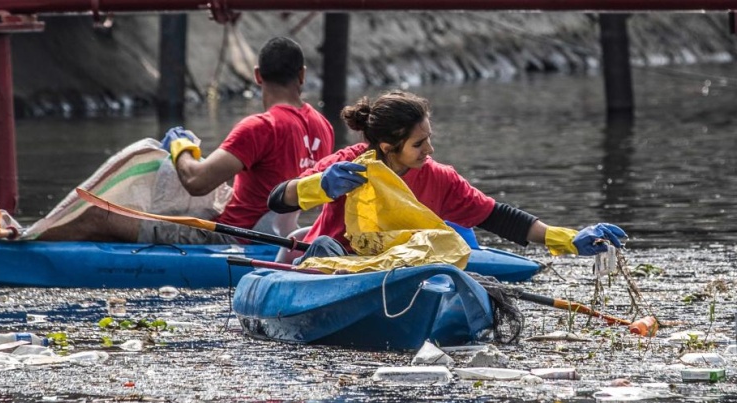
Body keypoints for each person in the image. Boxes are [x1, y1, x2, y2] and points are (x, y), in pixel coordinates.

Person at [0, 36, 334, 245]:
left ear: (258, 76)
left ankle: (9, 239)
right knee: (124, 211)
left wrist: (180, 145)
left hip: (230, 237)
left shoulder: (259, 126)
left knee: (96, 214)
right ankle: (42, 231)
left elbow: (195, 180)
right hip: (275, 231)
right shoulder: (322, 125)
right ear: (301, 76)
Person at [267, 90, 627, 261]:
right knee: (325, 248)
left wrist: (567, 237)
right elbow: (278, 200)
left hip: (391, 269)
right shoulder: (352, 162)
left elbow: (498, 217)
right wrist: (321, 184)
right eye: (419, 144)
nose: (429, 151)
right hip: (330, 262)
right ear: (389, 146)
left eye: (429, 139)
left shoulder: (439, 179)